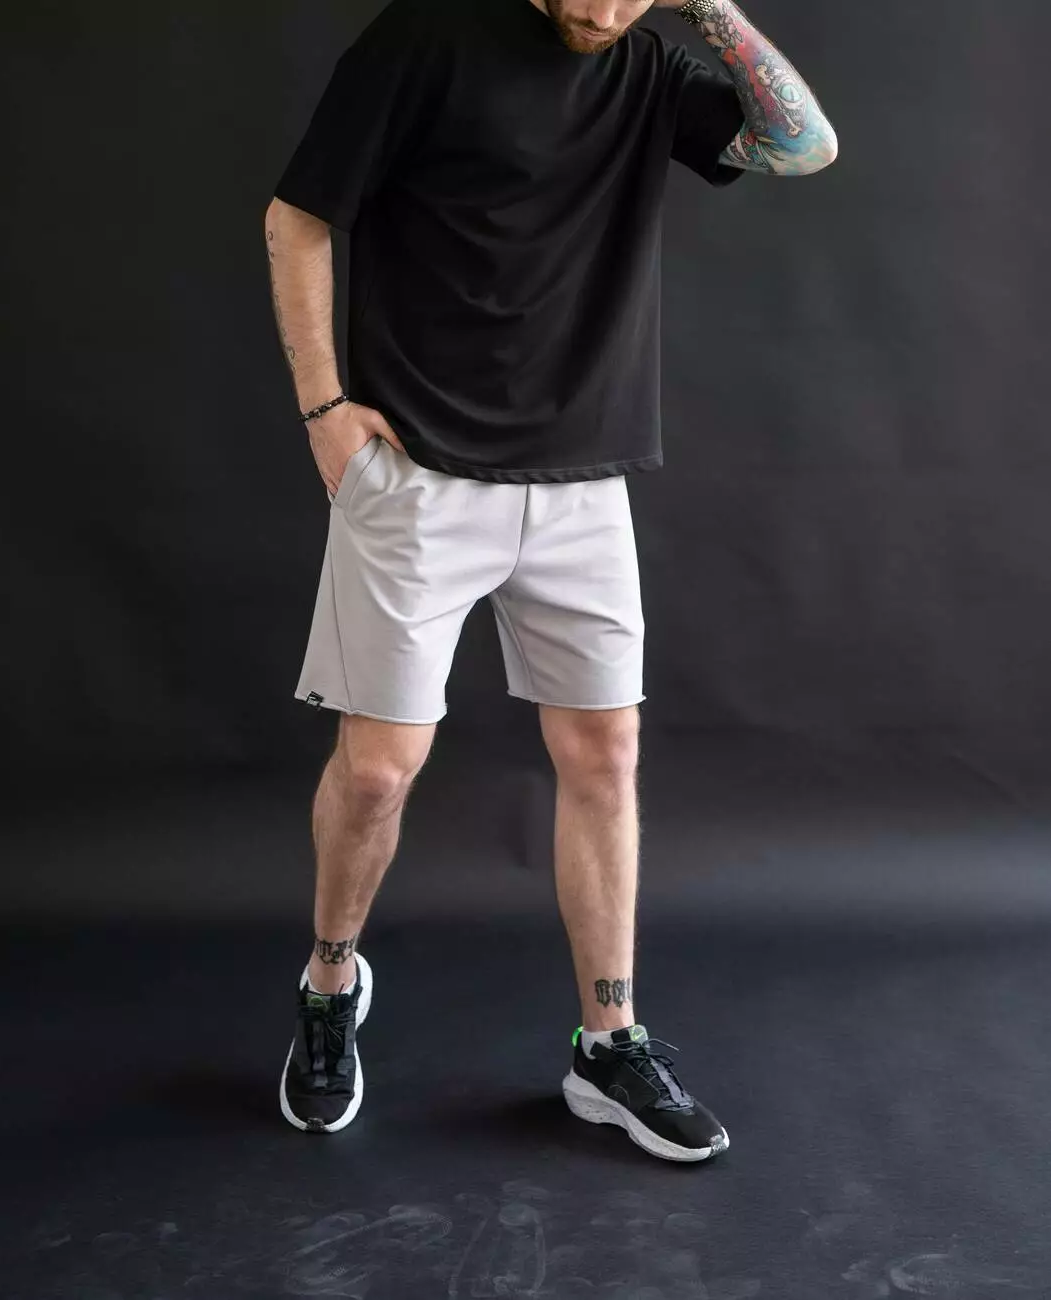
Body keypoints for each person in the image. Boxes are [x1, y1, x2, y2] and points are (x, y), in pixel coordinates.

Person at [264, 0, 837, 1162]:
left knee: (605, 756)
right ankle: (330, 987)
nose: (599, 10)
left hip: (583, 481)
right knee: (377, 770)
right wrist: (325, 410)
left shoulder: (650, 70)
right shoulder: (426, 37)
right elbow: (298, 216)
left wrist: (712, 10)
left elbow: (803, 144)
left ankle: (607, 1046)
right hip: (418, 471)